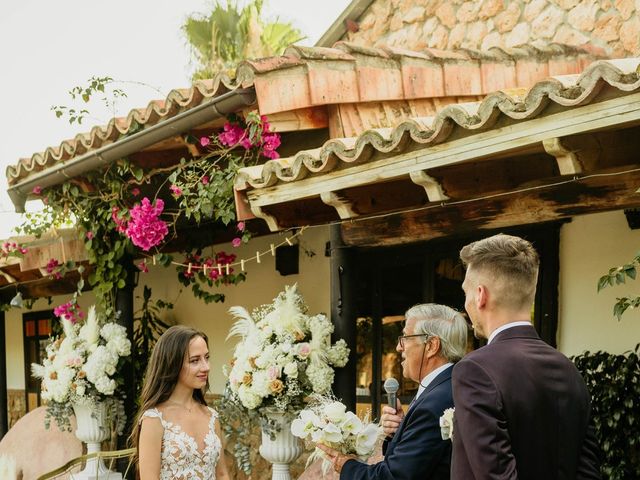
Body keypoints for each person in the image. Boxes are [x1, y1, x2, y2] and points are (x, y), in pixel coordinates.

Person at [452, 233, 601, 479]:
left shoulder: (475, 370)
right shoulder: (568, 369)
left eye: (466, 292)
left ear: (480, 295)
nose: (466, 302)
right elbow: (588, 472)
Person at [318, 303, 468, 480]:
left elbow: (394, 476)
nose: (399, 347)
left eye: (405, 337)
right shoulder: (449, 385)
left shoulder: (435, 402)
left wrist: (345, 465)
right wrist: (401, 429)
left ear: (431, 346)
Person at [129, 325, 230, 480]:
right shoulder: (154, 419)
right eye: (195, 360)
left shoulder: (211, 416)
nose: (206, 367)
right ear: (172, 364)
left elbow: (222, 474)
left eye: (207, 357)